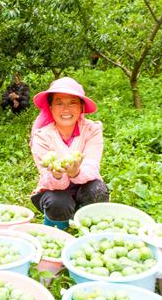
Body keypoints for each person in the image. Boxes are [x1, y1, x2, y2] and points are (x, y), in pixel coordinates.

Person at [29, 77, 110, 228]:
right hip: (53, 190)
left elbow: (92, 166)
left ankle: (87, 222)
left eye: (72, 102)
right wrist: (57, 175)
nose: (66, 109)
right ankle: (56, 227)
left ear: (81, 106)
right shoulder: (41, 136)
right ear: (51, 107)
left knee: (97, 189)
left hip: (83, 188)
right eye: (59, 103)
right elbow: (46, 177)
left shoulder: (92, 130)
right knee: (58, 201)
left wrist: (75, 173)